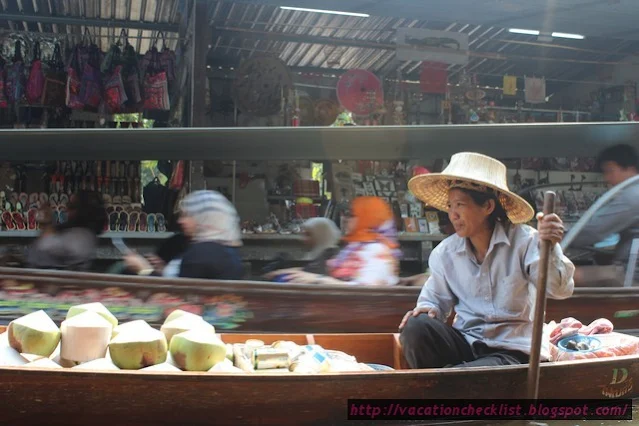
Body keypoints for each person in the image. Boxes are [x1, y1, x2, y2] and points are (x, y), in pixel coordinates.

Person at [398, 152, 575, 369]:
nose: (452, 214)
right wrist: (428, 309)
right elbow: (433, 300)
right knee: (417, 326)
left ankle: (443, 387)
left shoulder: (525, 241)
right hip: (468, 344)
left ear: (488, 207)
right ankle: (449, 385)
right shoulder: (446, 253)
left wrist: (551, 246)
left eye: (460, 205)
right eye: (450, 205)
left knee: (465, 374)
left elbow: (559, 290)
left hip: (513, 352)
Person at [265, 196, 401, 286]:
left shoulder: (378, 251)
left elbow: (365, 290)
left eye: (352, 215)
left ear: (368, 219)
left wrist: (318, 280)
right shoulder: (356, 247)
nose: (346, 219)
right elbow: (328, 271)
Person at [124, 190, 244, 280]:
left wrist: (144, 269)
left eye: (187, 215)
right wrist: (164, 271)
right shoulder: (224, 248)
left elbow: (176, 294)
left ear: (204, 218)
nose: (181, 221)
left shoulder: (203, 252)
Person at [569, 144, 639, 283]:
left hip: (630, 273)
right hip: (627, 266)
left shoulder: (632, 196)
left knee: (561, 276)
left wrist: (554, 238)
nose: (607, 178)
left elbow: (592, 231)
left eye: (610, 171)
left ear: (630, 169)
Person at [25, 190, 106, 271]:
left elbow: (45, 246)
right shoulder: (73, 231)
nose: (66, 209)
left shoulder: (83, 236)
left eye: (71, 206)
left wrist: (47, 222)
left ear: (83, 211)